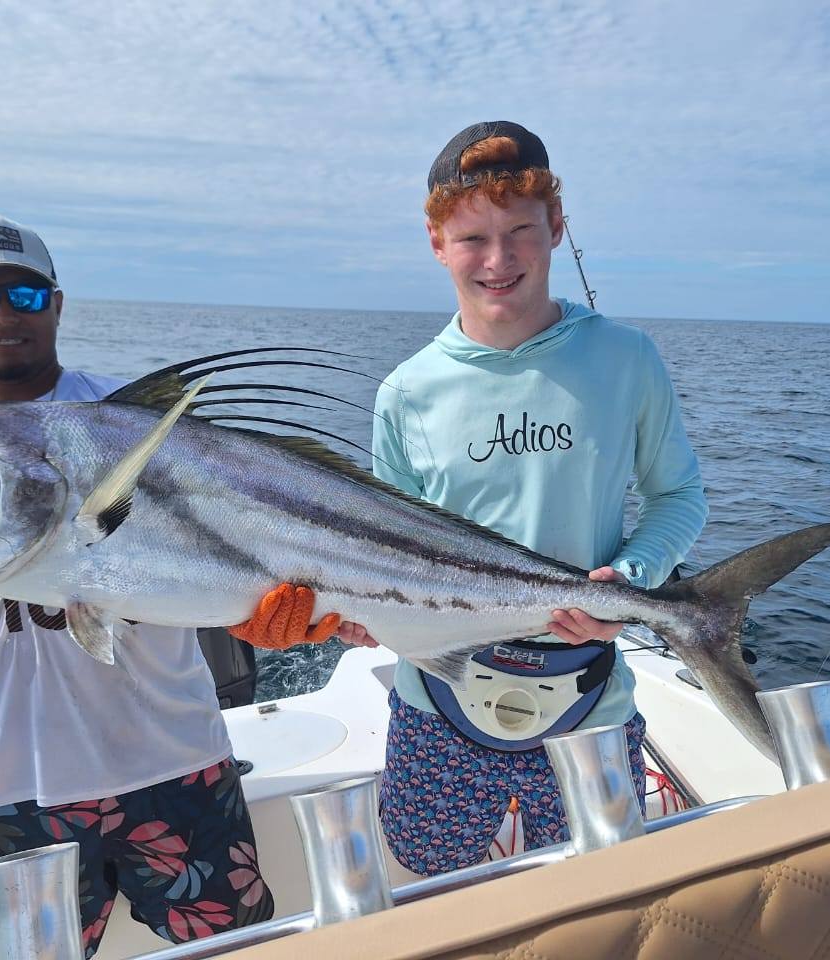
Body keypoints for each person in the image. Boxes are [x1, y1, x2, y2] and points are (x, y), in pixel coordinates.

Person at [236, 121, 708, 876]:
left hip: (591, 694)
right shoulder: (407, 392)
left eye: (520, 231)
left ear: (557, 227)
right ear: (435, 242)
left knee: (604, 888)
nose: (498, 260)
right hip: (438, 707)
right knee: (433, 876)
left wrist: (632, 580)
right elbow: (378, 556)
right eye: (471, 239)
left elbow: (678, 498)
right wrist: (351, 621)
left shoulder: (626, 359)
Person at [0, 213, 291, 957]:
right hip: (15, 783)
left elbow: (237, 546)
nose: (2, 316)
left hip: (181, 762)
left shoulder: (136, 422)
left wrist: (261, 612)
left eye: (25, 296)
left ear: (57, 305)